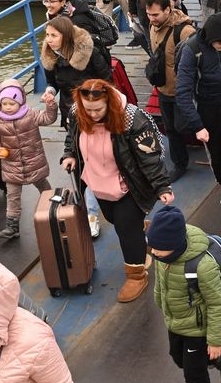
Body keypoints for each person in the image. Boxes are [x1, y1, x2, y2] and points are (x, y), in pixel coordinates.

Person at [60, 78, 173, 303]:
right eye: (88, 109)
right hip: (98, 182)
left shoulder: (133, 120)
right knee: (112, 218)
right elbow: (72, 135)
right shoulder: (77, 112)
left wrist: (162, 186)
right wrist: (69, 153)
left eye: (98, 109)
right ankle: (139, 231)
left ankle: (136, 275)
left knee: (125, 227)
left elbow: (149, 157)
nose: (92, 114)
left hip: (129, 184)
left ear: (109, 103)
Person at [147, 204, 221, 383]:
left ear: (174, 245)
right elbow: (160, 285)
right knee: (179, 359)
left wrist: (215, 339)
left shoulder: (202, 266)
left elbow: (216, 305)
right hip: (175, 321)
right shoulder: (162, 256)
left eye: (158, 248)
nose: (153, 251)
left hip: (198, 328)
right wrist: (161, 304)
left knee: (193, 371)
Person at [174, 14, 221, 222]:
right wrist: (197, 125)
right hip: (208, 108)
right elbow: (183, 92)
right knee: (217, 152)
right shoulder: (192, 51)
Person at [0, 83, 59, 240]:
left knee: (43, 186)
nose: (7, 107)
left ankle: (54, 208)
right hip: (11, 165)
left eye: (11, 104)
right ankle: (12, 226)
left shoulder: (31, 115)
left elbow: (48, 118)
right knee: (12, 195)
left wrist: (51, 106)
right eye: (4, 103)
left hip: (33, 162)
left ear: (20, 102)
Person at [141, 0, 199, 177]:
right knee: (172, 129)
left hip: (183, 91)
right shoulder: (152, 27)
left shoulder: (184, 31)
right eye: (149, 14)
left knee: (184, 125)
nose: (152, 18)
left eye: (155, 14)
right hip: (163, 89)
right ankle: (180, 164)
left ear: (168, 9)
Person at [44, 0, 116, 74]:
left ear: (63, 2)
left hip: (88, 67)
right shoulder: (63, 14)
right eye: (46, 1)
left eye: (52, 1)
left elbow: (88, 50)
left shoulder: (78, 22)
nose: (48, 5)